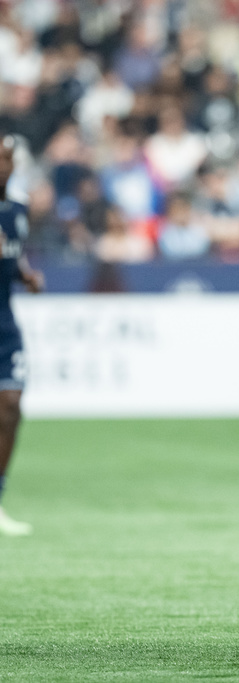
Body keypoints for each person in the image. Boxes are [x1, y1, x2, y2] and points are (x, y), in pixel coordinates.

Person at [0, 135, 45, 536]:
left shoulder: (16, 210)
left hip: (4, 323)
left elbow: (13, 258)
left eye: (8, 160)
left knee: (11, 406)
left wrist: (26, 275)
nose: (3, 167)